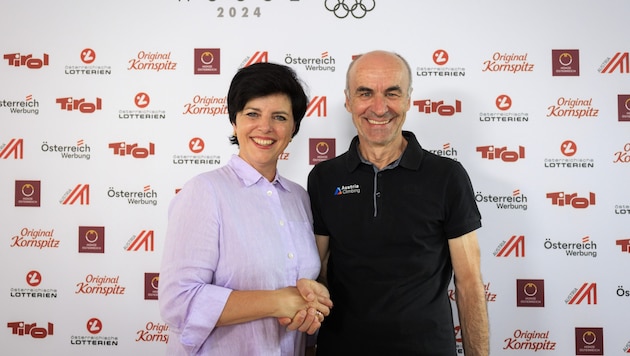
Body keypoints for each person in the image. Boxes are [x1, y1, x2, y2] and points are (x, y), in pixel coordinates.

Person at [307, 50, 489, 355]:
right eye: (365, 93)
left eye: (392, 93)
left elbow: (469, 283)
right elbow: (318, 271)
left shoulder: (447, 176)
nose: (379, 108)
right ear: (349, 100)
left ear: (408, 100)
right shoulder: (324, 177)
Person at [159, 62, 332, 355]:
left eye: (279, 117)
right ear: (234, 122)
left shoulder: (299, 198)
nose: (265, 127)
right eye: (252, 114)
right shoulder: (204, 192)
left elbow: (303, 287)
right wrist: (278, 300)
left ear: (293, 129)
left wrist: (314, 299)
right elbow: (179, 302)